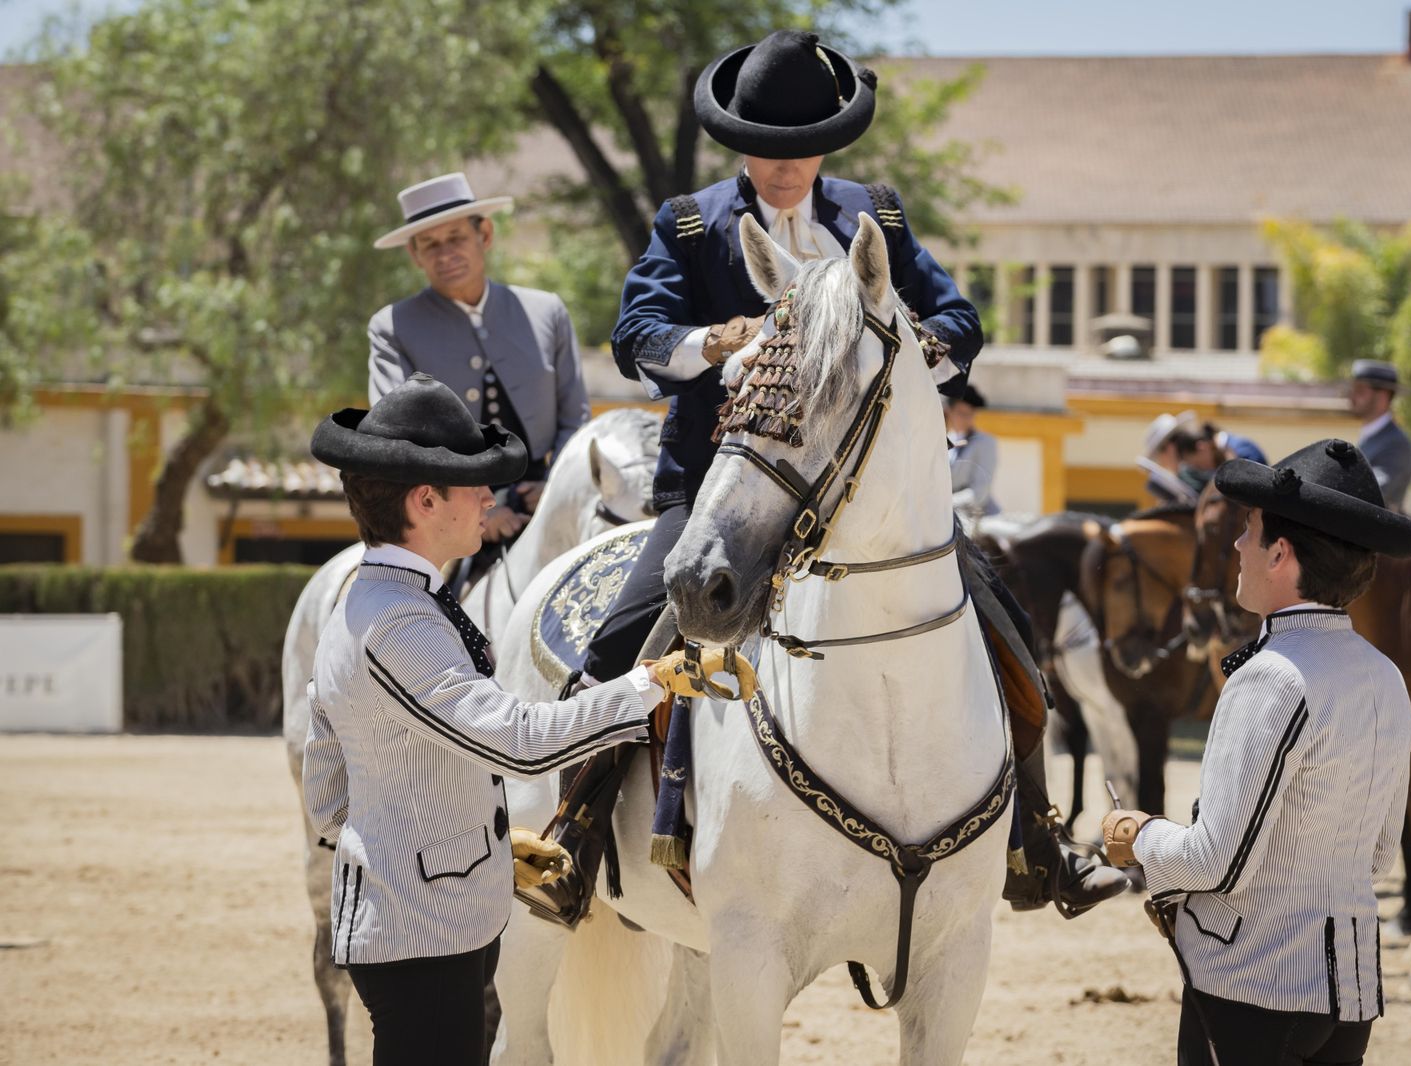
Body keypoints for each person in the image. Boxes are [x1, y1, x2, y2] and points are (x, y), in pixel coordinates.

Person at [528, 28, 1126, 927]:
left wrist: (912, 349)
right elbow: (637, 334)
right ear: (738, 143)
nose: (782, 166)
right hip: (721, 483)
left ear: (828, 143)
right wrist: (716, 343)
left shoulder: (872, 215)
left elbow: (958, 315)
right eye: (764, 149)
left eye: (799, 148)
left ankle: (1035, 836)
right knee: (622, 638)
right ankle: (575, 835)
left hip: (863, 495)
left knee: (1004, 620)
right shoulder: (687, 224)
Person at [301, 373, 719, 1065]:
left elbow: (328, 797)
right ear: (424, 499)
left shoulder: (369, 599)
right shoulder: (404, 621)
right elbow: (521, 745)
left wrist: (484, 856)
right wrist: (650, 682)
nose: (486, 499)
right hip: (425, 938)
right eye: (471, 484)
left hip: (401, 926)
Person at [1101, 438, 1411, 1066]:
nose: (1236, 547)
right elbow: (1379, 854)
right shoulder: (1386, 676)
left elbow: (1214, 861)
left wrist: (1136, 834)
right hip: (1349, 989)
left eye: (1248, 531)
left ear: (1280, 553)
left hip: (1253, 983)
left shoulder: (1268, 676)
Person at [368, 171, 590, 564]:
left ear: (484, 235)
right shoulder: (392, 327)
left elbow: (575, 418)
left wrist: (556, 488)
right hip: (446, 512)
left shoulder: (546, 311)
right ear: (414, 255)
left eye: (456, 238)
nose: (445, 253)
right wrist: (472, 507)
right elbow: (397, 437)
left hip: (547, 499)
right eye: (430, 245)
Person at [1348, 359, 1411, 509]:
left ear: (1382, 396)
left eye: (1360, 390)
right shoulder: (1371, 436)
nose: (1352, 396)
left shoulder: (1397, 443)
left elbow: (1372, 492)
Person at [946, 383, 1001, 522]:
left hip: (980, 517)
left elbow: (980, 491)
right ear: (950, 412)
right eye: (961, 413)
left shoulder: (985, 442)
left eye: (969, 414)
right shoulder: (947, 440)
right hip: (948, 516)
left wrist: (945, 504)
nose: (966, 418)